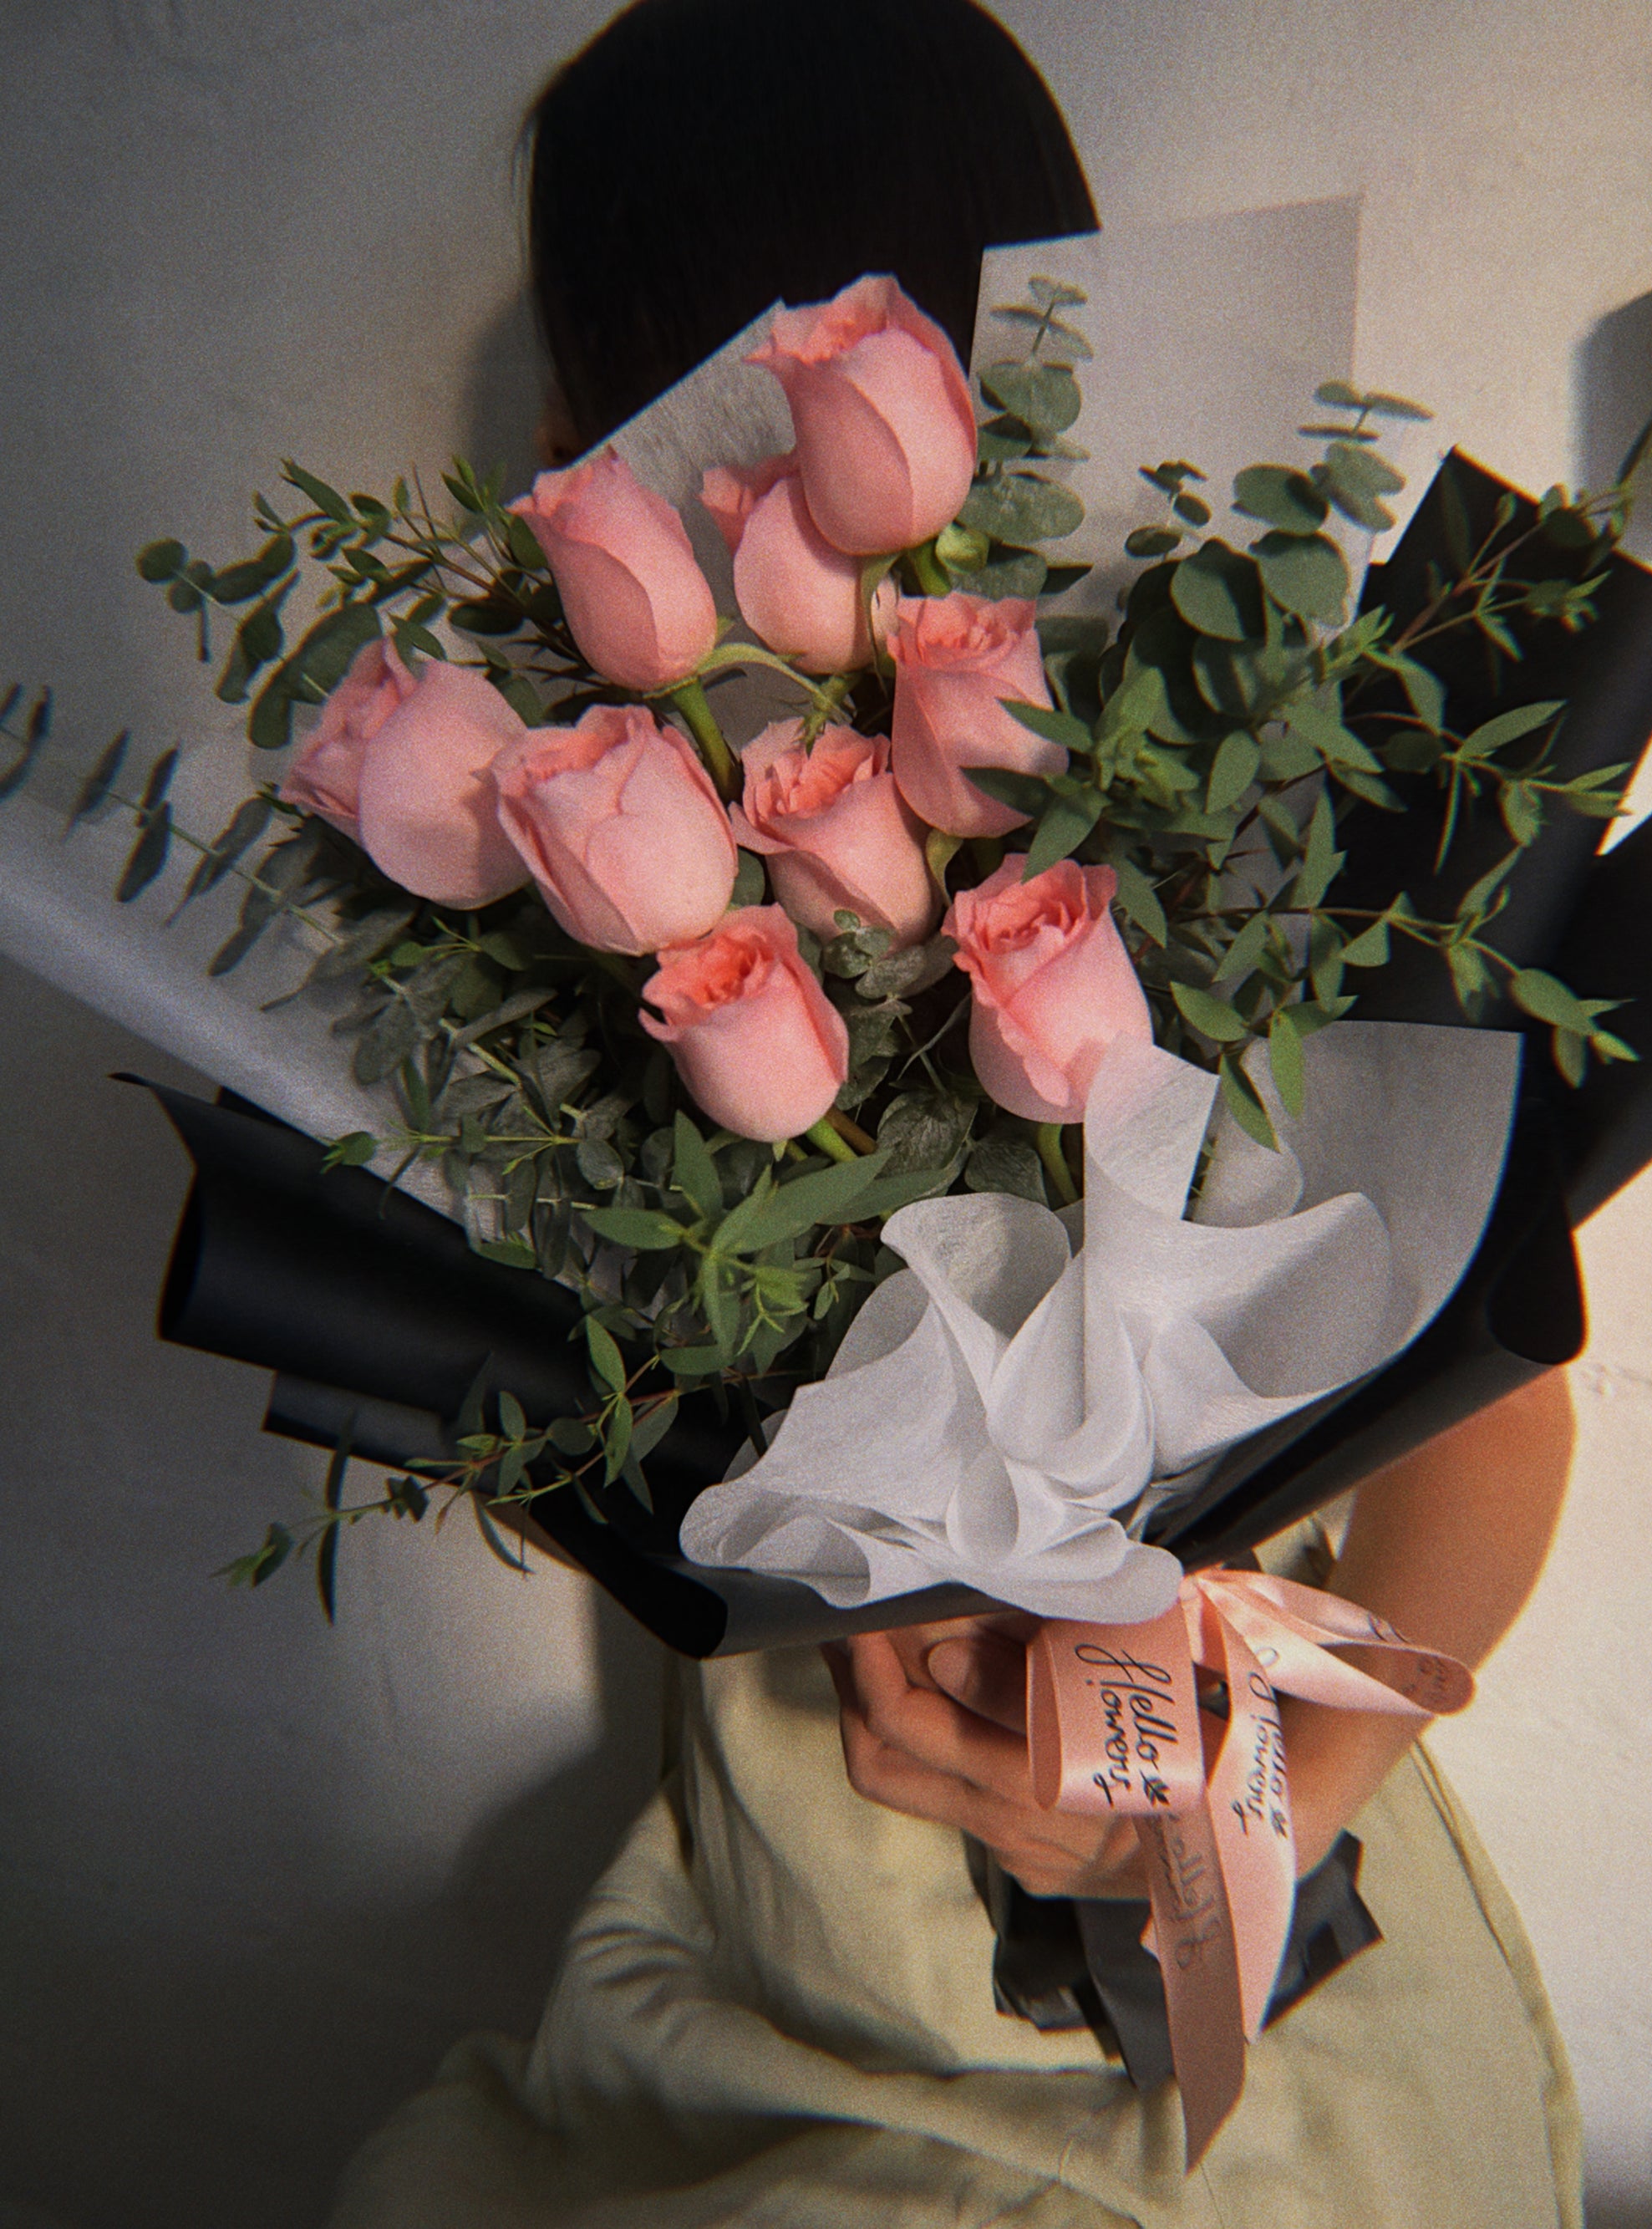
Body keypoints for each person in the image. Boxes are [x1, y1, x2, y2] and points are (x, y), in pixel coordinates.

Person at [328, 3, 1583, 2218]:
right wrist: (778, 1490)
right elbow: (582, 1439)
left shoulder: (1220, 811)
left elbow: (1497, 1409)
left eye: (593, 380)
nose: (543, 447)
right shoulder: (570, 885)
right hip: (771, 1942)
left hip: (1228, 1920)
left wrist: (1234, 1789)